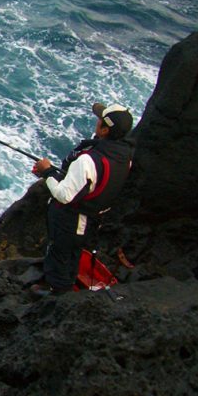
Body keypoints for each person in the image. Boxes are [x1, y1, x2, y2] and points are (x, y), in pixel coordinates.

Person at [30, 102, 134, 297]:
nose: (96, 122)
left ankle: (58, 293)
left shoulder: (88, 160)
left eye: (100, 121)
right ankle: (66, 282)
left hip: (73, 218)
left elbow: (64, 195)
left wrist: (47, 172)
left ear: (104, 130)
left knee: (59, 250)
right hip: (94, 217)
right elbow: (92, 183)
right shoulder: (125, 156)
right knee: (73, 250)